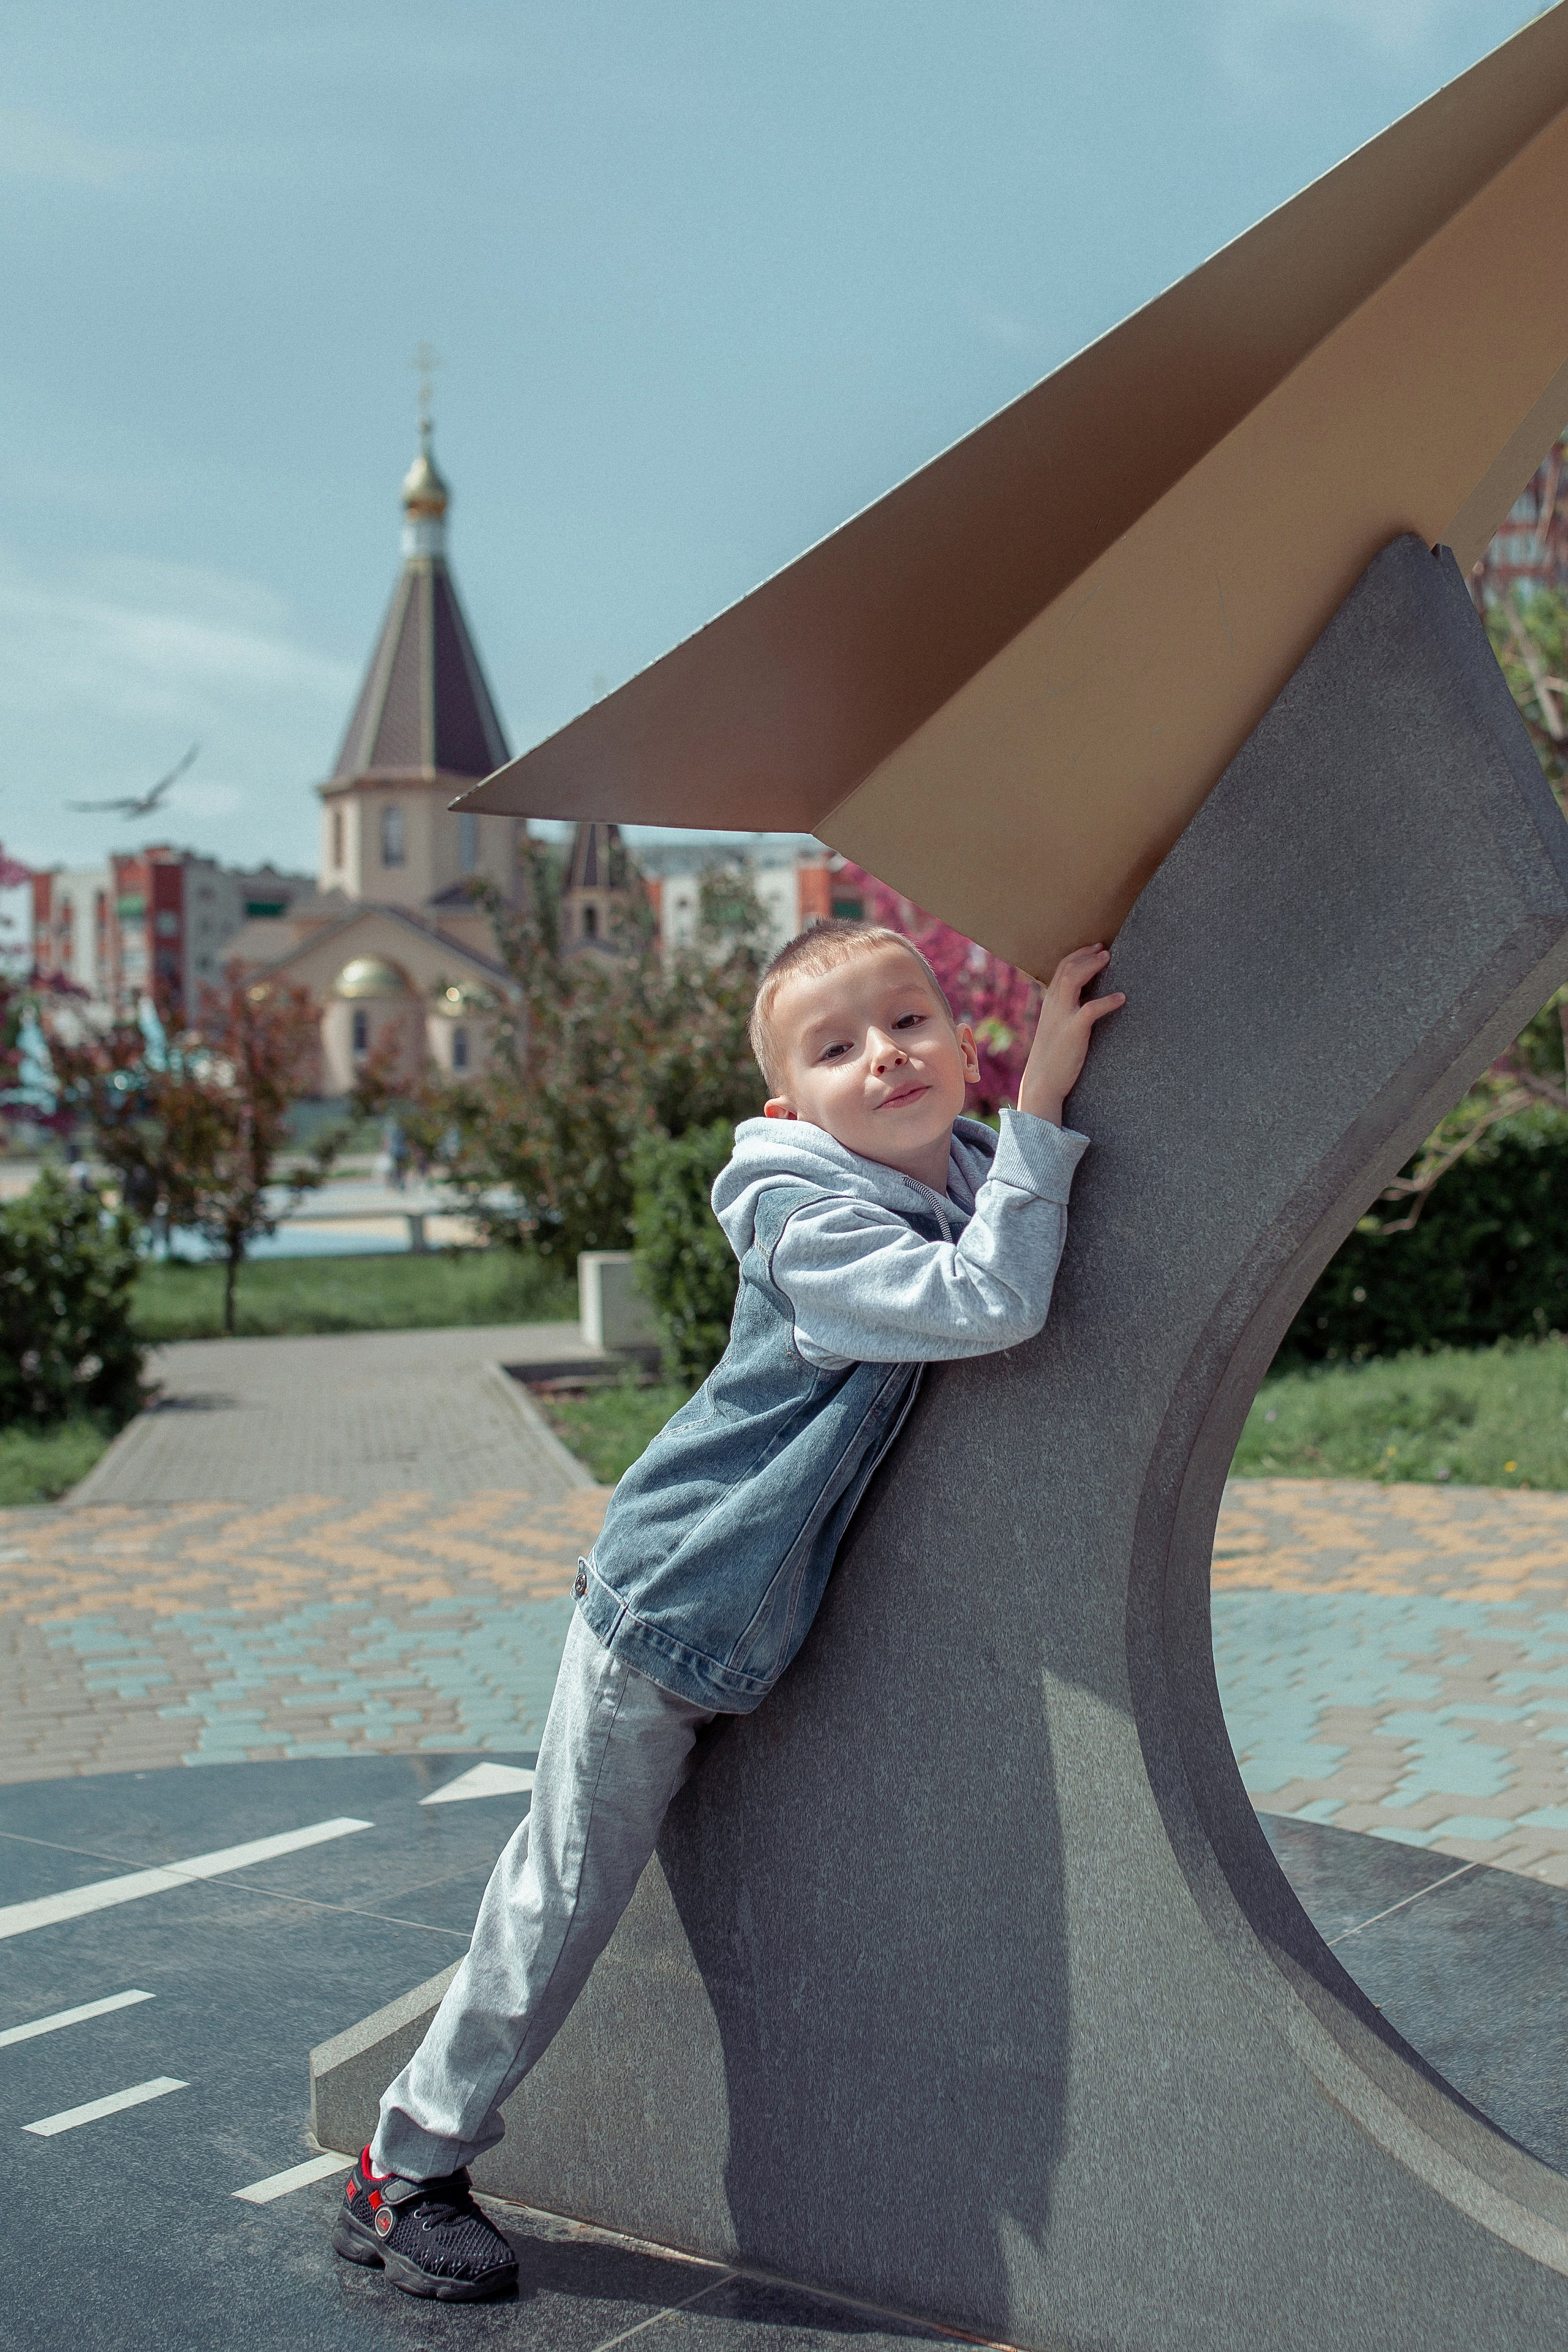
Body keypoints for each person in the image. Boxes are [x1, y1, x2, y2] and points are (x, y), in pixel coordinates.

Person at [331, 920, 1123, 2301]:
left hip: (765, 1628)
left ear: (957, 1035)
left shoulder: (968, 1166)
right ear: (785, 1107)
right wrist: (1046, 1095)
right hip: (665, 1616)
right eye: (835, 1048)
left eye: (909, 1022)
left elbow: (1024, 1226)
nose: (884, 1055)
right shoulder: (800, 1216)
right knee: (561, 1897)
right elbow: (989, 1295)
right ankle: (403, 2168)